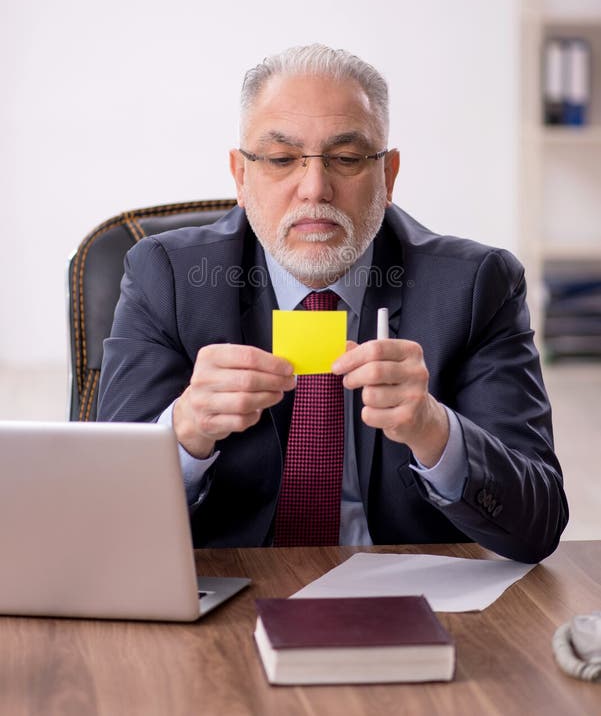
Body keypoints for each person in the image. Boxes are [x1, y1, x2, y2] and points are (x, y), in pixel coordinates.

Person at [98, 43, 568, 562]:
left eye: (345, 159)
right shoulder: (166, 276)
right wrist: (183, 432)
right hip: (229, 592)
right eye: (281, 160)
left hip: (404, 595)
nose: (314, 188)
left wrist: (435, 431)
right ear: (240, 175)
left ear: (387, 177)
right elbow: (100, 518)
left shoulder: (477, 285)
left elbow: (538, 525)